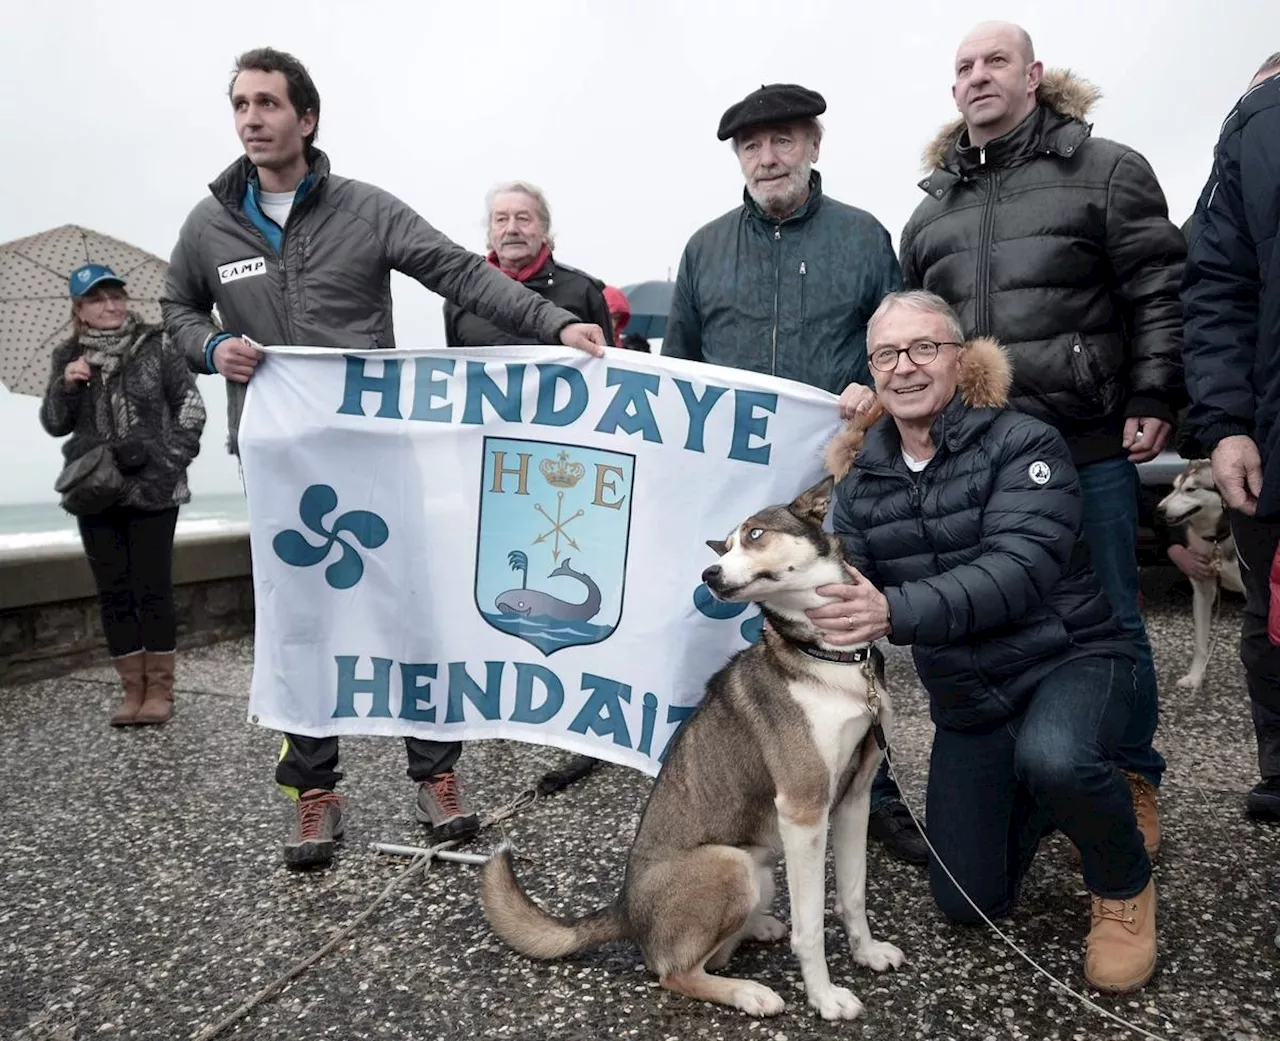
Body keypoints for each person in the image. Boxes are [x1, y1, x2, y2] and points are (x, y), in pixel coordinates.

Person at [161, 47, 606, 869]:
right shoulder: (208, 223)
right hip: (281, 458)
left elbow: (457, 273)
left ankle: (435, 773)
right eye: (240, 105)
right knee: (298, 622)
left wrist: (552, 326)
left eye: (267, 104)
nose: (252, 119)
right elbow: (175, 309)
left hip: (375, 451)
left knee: (412, 609)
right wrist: (210, 341)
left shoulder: (365, 210)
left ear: (307, 117)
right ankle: (313, 790)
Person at [899, 22, 1186, 858]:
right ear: (952, 91)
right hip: (976, 461)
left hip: (1085, 441)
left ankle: (1131, 775)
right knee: (1002, 616)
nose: (978, 76)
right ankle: (1038, 774)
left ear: (1035, 74)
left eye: (995, 61)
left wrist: (1153, 388)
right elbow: (918, 332)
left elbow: (1159, 288)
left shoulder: (1107, 170)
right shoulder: (930, 211)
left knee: (1112, 620)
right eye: (963, 67)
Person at [818, 290, 1156, 993]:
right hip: (972, 698)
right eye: (887, 353)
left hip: (1072, 657)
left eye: (924, 348)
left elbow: (1020, 570)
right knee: (969, 900)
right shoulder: (862, 477)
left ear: (959, 357)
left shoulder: (1023, 441)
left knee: (1057, 752)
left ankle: (1123, 884)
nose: (904, 367)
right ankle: (1050, 797)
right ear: (870, 370)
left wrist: (892, 610)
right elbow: (842, 583)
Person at [663, 82, 925, 866]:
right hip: (737, 490)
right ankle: (746, 783)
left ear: (813, 146)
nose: (767, 157)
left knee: (843, 628)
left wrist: (873, 388)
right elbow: (679, 368)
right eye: (751, 146)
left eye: (781, 140)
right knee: (739, 638)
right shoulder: (705, 249)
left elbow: (901, 343)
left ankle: (870, 789)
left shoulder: (863, 236)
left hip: (837, 484)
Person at [40, 264, 206, 727]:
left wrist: (164, 462)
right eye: (97, 299)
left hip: (154, 488)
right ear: (79, 309)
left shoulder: (159, 344)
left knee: (152, 589)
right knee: (113, 592)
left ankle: (161, 692)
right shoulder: (67, 355)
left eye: (116, 296)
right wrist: (65, 385)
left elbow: (190, 408)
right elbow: (55, 423)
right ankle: (131, 692)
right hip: (96, 491)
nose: (110, 306)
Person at [1181, 53, 1280, 823]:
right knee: (1271, 613)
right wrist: (1226, 423)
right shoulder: (1254, 126)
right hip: (1269, 427)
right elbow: (1215, 284)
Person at [444, 181, 615, 347]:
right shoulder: (462, 296)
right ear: (490, 232)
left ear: (544, 229)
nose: (511, 229)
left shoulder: (583, 292)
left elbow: (606, 366)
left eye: (523, 219)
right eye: (501, 219)